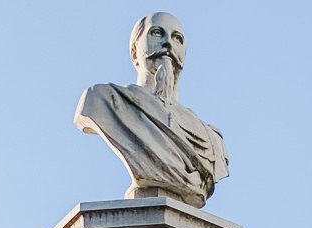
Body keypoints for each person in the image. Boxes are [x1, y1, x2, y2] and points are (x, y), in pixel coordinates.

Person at [75, 12, 228, 205]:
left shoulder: (212, 140)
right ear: (134, 53)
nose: (168, 44)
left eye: (177, 38)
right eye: (157, 33)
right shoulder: (104, 99)